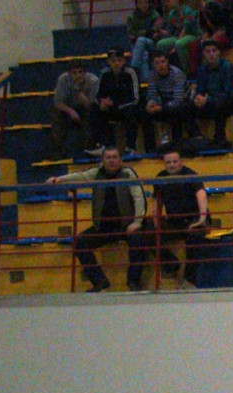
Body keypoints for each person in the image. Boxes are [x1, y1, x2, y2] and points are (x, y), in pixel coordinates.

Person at [45, 146, 149, 292]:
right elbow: (80, 176)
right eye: (108, 158)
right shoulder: (96, 173)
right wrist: (59, 179)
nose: (111, 161)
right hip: (103, 227)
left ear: (120, 160)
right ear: (102, 160)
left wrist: (137, 222)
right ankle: (99, 281)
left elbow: (139, 197)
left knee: (138, 240)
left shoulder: (128, 173)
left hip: (125, 225)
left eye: (114, 157)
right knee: (79, 242)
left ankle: (133, 281)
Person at [152, 149, 211, 286]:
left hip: (195, 219)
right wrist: (156, 224)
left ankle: (189, 280)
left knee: (195, 237)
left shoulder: (191, 175)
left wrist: (202, 219)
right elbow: (157, 202)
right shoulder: (160, 178)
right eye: (168, 162)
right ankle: (172, 265)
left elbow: (201, 195)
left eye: (175, 161)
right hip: (175, 221)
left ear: (181, 162)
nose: (172, 165)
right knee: (148, 233)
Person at [143, 50, 202, 150]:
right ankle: (150, 149)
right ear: (153, 65)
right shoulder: (152, 76)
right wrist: (151, 104)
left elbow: (178, 100)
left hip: (185, 101)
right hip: (165, 102)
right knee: (145, 114)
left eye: (163, 62)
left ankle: (187, 140)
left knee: (178, 110)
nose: (161, 65)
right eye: (157, 63)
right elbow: (153, 95)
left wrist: (160, 108)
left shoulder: (177, 74)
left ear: (167, 62)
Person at [91, 47, 141, 156]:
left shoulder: (130, 73)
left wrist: (115, 104)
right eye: (113, 61)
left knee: (131, 111)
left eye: (119, 60)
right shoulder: (104, 73)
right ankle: (104, 145)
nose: (116, 63)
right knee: (94, 109)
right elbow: (97, 94)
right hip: (110, 107)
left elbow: (135, 98)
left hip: (126, 107)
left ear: (124, 61)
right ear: (108, 62)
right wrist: (102, 102)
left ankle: (131, 147)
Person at [192, 40, 233, 148]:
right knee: (188, 106)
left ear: (219, 52)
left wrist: (208, 100)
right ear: (203, 54)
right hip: (210, 101)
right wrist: (198, 98)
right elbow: (200, 89)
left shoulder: (228, 67)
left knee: (220, 104)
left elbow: (229, 93)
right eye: (208, 51)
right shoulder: (203, 69)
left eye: (214, 51)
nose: (211, 54)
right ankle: (197, 138)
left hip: (229, 102)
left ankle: (220, 139)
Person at [50, 59, 99, 159]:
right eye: (74, 73)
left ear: (85, 72)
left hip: (86, 109)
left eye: (81, 72)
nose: (78, 75)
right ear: (69, 73)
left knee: (93, 114)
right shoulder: (63, 79)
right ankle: (58, 150)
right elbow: (58, 102)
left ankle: (89, 148)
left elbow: (94, 105)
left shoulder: (93, 81)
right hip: (68, 109)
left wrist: (80, 93)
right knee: (56, 113)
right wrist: (71, 111)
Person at [154, 0, 200, 76]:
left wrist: (174, 46)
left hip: (191, 35)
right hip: (178, 36)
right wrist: (159, 30)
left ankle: (186, 72)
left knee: (179, 44)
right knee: (160, 44)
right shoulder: (172, 13)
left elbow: (186, 29)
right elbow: (170, 32)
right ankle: (165, 71)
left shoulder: (187, 11)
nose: (167, 2)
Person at [127, 0, 162, 82]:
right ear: (137, 4)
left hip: (152, 43)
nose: (144, 5)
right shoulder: (131, 17)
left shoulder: (155, 15)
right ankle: (146, 81)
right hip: (136, 44)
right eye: (141, 3)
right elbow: (131, 33)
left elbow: (155, 32)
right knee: (144, 54)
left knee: (140, 40)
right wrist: (146, 32)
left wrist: (139, 34)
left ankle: (134, 68)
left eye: (146, 2)